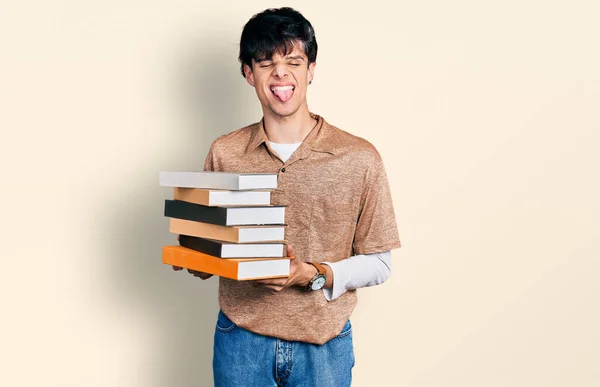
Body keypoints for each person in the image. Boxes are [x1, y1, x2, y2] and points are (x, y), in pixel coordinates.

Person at [173, 7, 401, 386]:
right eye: (266, 62)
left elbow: (380, 263)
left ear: (311, 69)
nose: (281, 72)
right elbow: (203, 254)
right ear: (248, 73)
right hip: (240, 340)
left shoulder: (360, 157)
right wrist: (192, 252)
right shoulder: (224, 153)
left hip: (324, 346)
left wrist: (309, 273)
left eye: (293, 61)